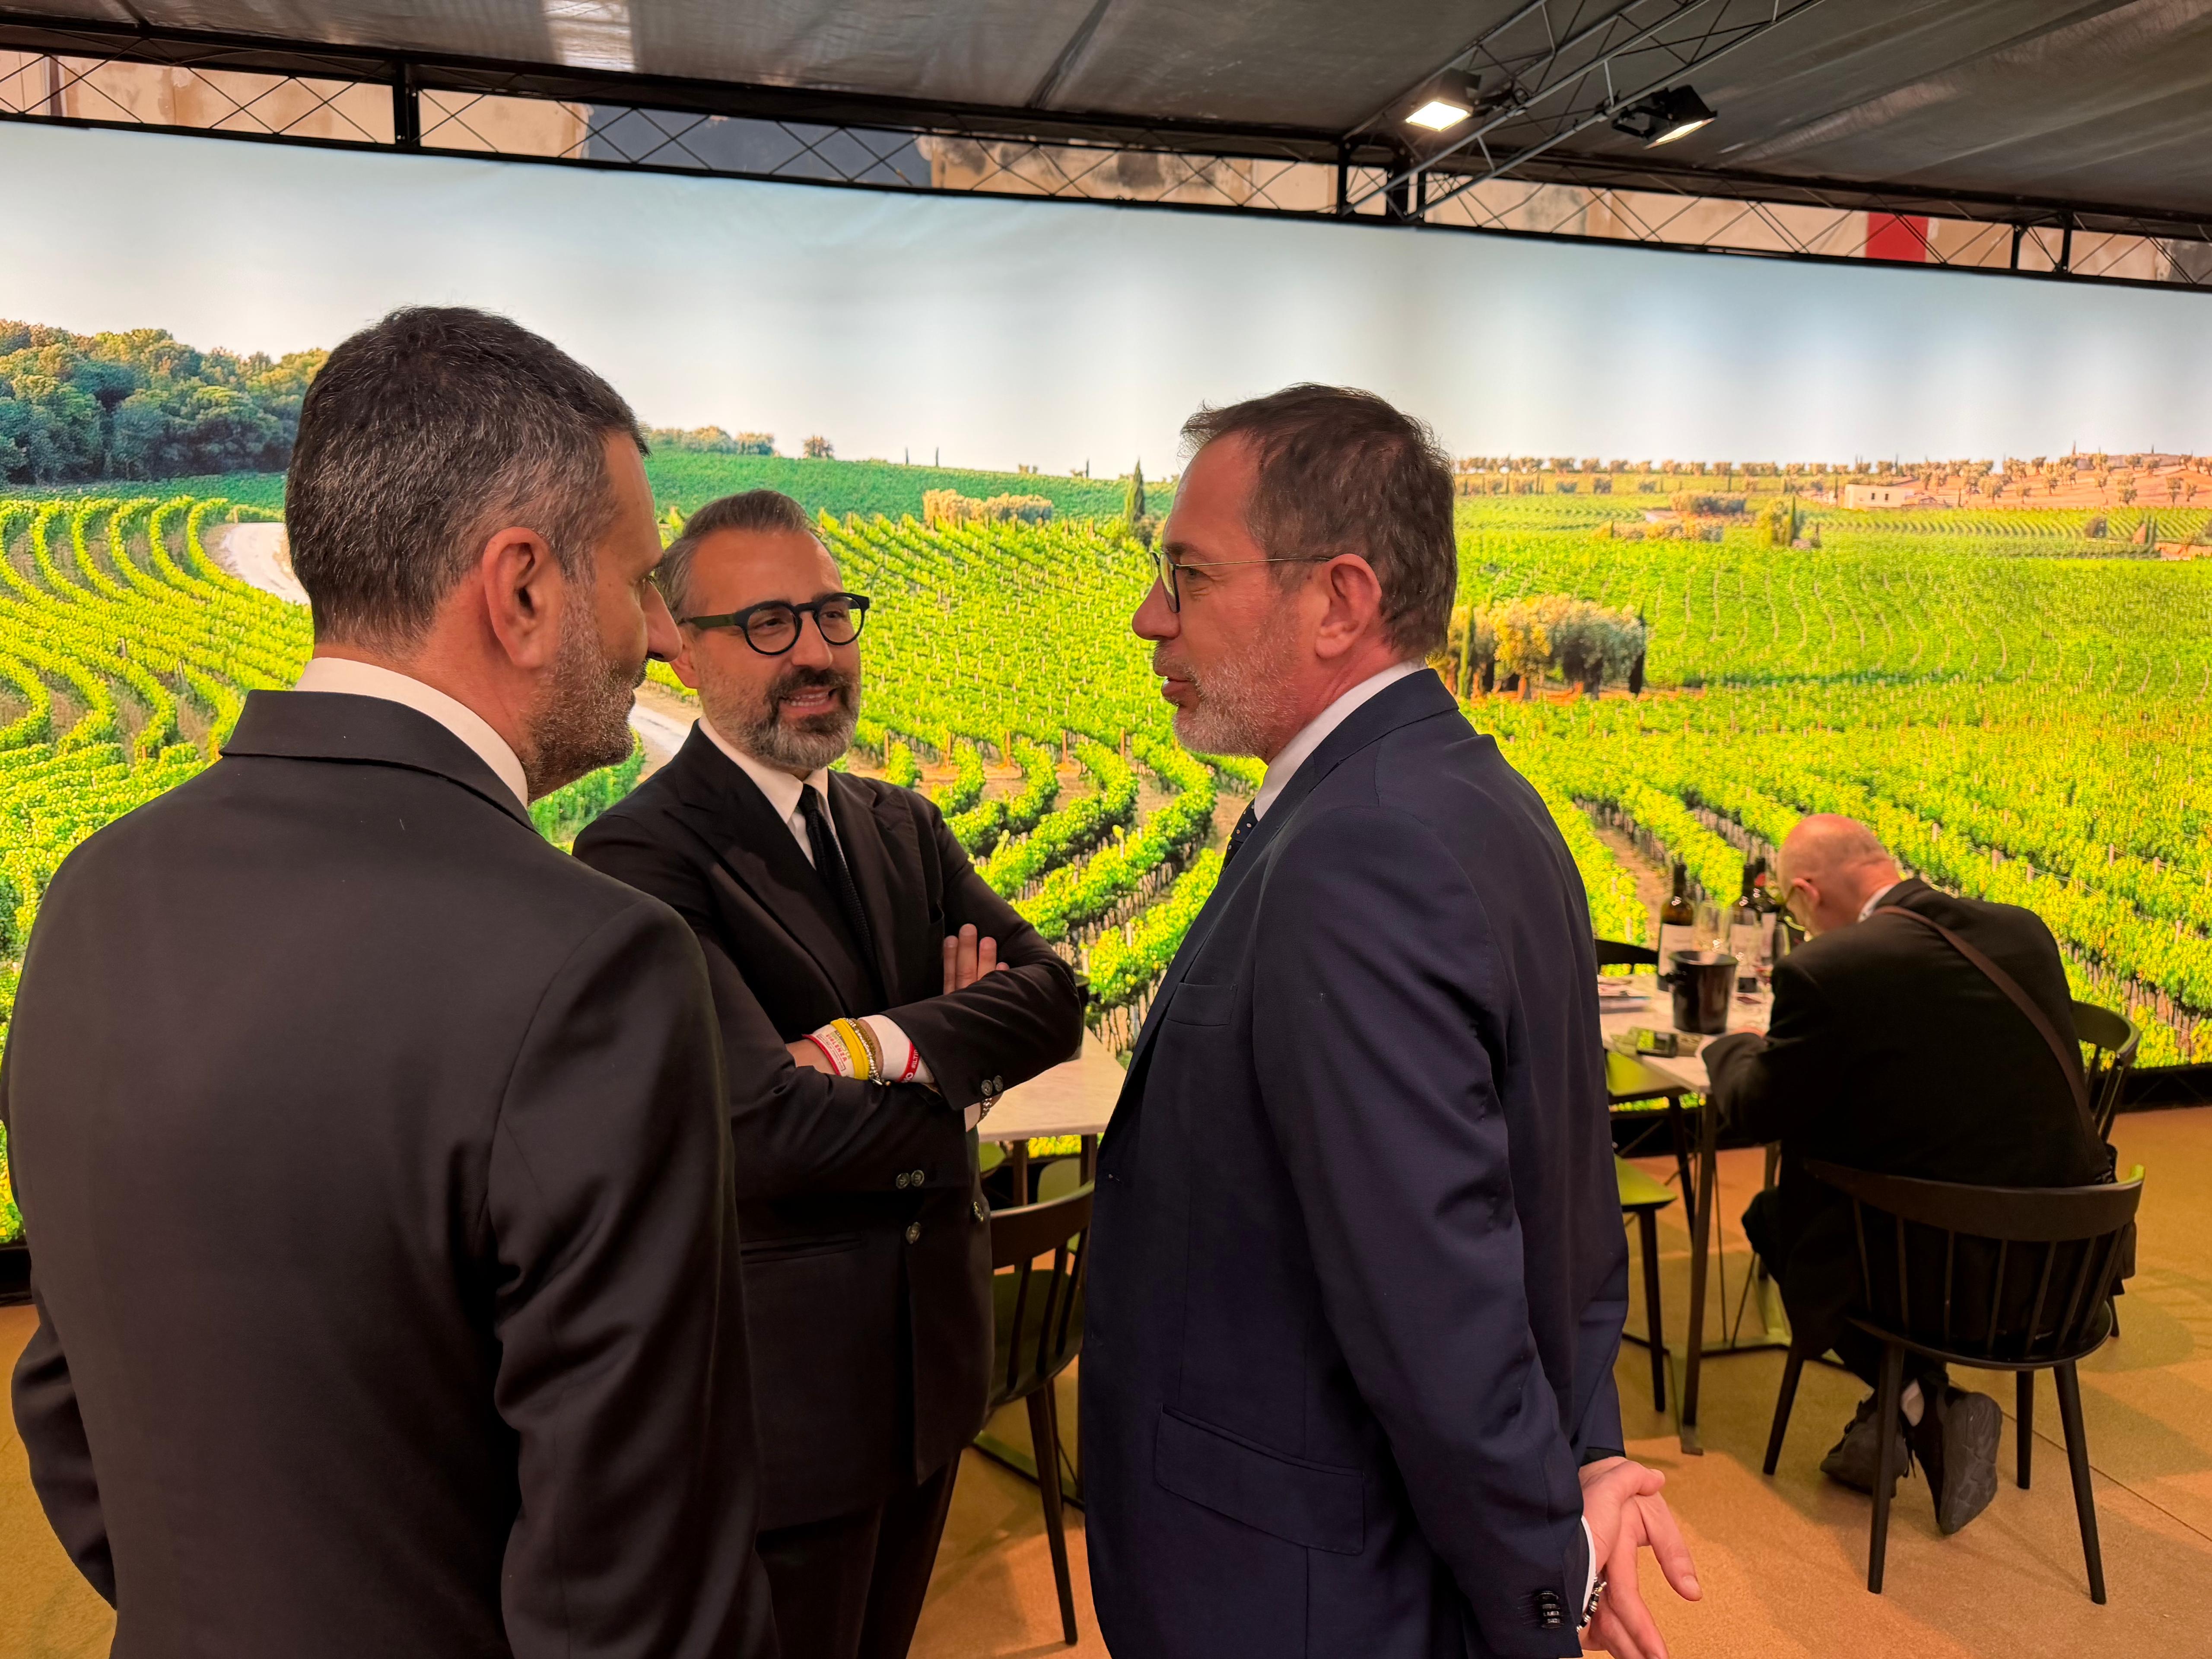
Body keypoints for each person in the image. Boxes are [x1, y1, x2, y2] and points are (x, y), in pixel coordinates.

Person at [2, 308, 779, 1657]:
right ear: (521, 589)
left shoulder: (93, 894)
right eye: (639, 581)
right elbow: (639, 1605)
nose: (660, 637)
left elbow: (73, 1416)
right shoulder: (596, 969)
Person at [1082, 386, 1699, 1659]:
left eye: (1188, 575)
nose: (1150, 615)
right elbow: (1556, 1212)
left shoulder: (1355, 848)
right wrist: (1584, 1456)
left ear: (1339, 601)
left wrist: (1553, 1574)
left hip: (1305, 1596)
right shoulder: (1472, 797)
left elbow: (1435, 1302)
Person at [572, 489, 1084, 1659]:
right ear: (680, 645)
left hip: (935, 1377)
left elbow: (1054, 999)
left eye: (829, 614)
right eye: (767, 623)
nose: (814, 652)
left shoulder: (902, 824)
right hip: (783, 1414)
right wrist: (962, 1057)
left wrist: (868, 1048)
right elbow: (764, 1129)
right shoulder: (639, 858)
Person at [1704, 814, 2108, 1535]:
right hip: (2067, 1268)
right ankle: (1885, 1423)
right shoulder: (2022, 929)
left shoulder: (1832, 967)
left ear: (1806, 893)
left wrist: (1729, 1048)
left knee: (1778, 1217)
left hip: (1951, 1282)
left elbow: (1758, 1112)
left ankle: (1922, 1404)